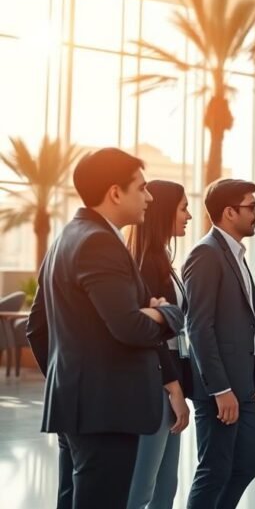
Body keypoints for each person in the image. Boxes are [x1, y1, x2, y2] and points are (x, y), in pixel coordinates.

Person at [26, 148, 182, 509]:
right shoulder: (99, 242)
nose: (149, 197)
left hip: (82, 404)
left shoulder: (70, 234)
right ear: (115, 192)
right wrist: (167, 314)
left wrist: (69, 374)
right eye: (141, 188)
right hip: (105, 408)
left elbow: (39, 326)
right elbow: (129, 327)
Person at [183, 178, 255, 509]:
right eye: (252, 207)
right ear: (229, 212)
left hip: (243, 385)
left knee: (247, 463)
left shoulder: (235, 254)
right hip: (221, 390)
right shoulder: (206, 254)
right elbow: (199, 327)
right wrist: (220, 389)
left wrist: (254, 381)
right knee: (215, 469)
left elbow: (247, 322)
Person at [125, 180, 193, 509]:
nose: (189, 216)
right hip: (156, 385)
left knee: (166, 486)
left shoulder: (163, 260)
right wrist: (174, 390)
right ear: (165, 212)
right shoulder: (145, 265)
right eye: (183, 208)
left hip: (169, 381)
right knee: (143, 490)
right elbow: (152, 336)